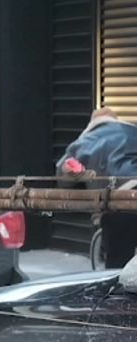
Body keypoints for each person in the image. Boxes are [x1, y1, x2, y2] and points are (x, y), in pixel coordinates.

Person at [58, 107, 137, 268]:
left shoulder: (85, 141)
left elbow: (64, 174)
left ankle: (115, 282)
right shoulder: (133, 132)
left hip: (120, 200)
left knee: (117, 261)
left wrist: (79, 175)